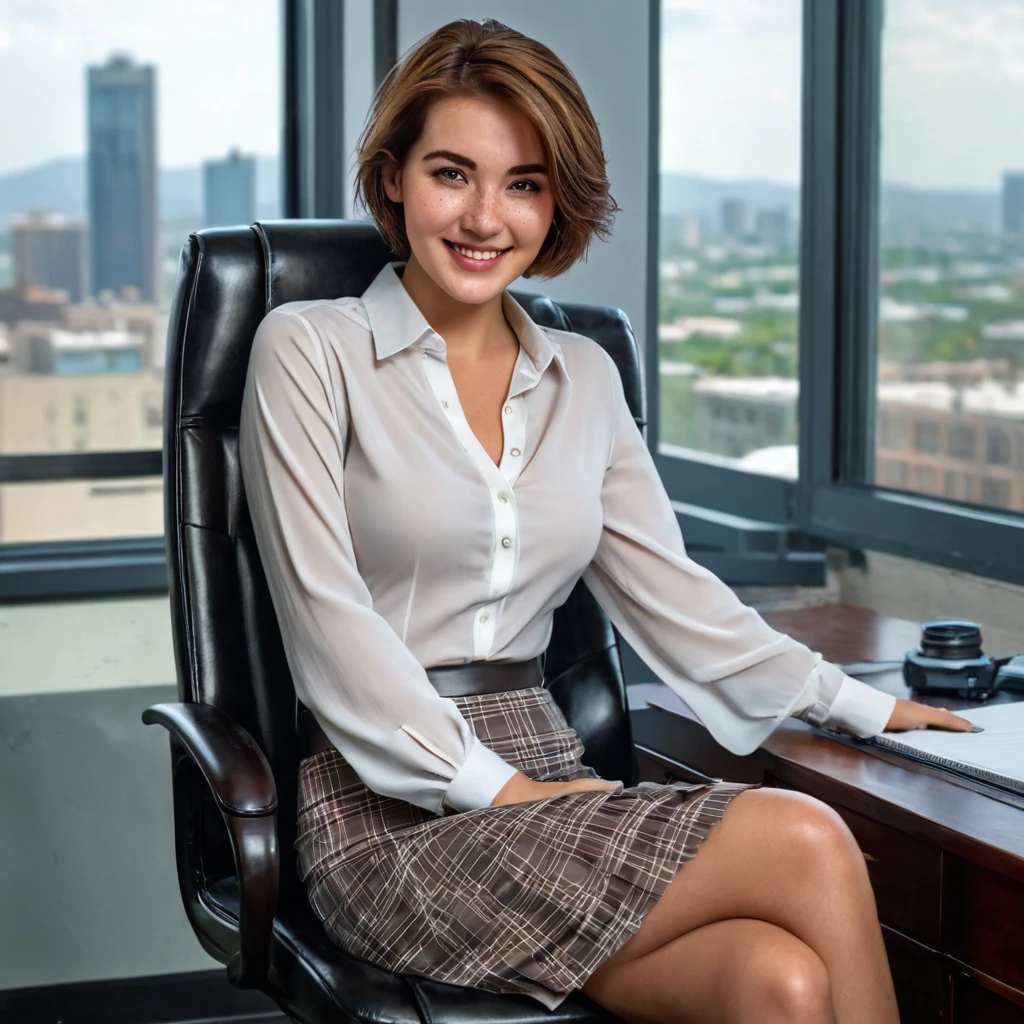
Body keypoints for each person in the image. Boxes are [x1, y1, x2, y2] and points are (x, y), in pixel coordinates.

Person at [238, 17, 974, 1024]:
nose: (485, 217)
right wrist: (500, 792)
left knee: (782, 986)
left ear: (556, 204)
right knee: (807, 840)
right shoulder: (307, 349)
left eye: (524, 184)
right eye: (452, 174)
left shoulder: (581, 377)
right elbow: (330, 626)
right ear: (395, 178)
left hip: (549, 766)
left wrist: (859, 704)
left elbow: (674, 596)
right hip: (387, 809)